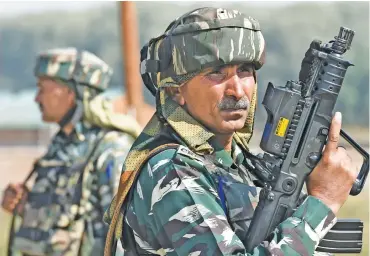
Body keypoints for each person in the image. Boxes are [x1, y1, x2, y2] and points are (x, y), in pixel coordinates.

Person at [104, 7, 358, 256]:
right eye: (216, 73)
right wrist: (322, 202)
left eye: (245, 71)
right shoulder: (172, 170)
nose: (236, 90)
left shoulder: (238, 162)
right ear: (175, 91)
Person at [1, 47, 141, 256]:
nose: (37, 99)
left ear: (71, 92)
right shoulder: (61, 146)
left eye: (42, 89)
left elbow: (122, 236)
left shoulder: (111, 149)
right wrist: (27, 208)